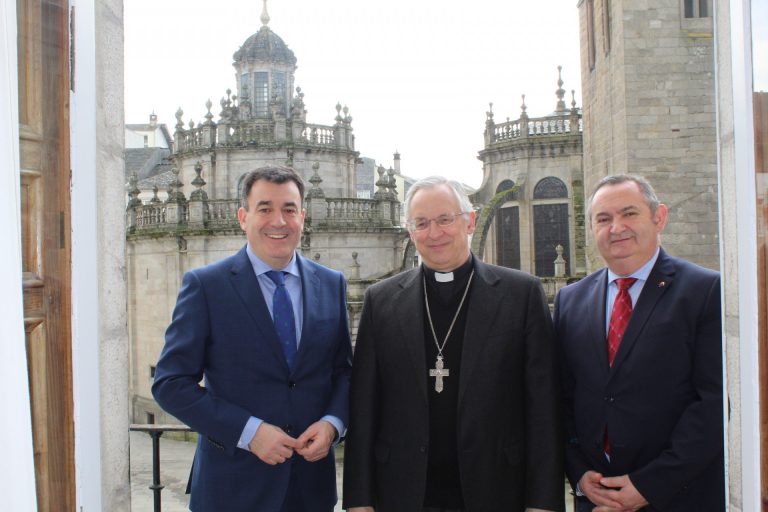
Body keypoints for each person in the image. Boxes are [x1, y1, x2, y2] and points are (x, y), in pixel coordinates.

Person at [343, 176, 564, 512]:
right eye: (422, 223)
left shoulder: (521, 295)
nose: (435, 233)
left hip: (498, 489)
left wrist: (543, 503)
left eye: (445, 219)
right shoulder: (381, 300)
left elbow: (543, 407)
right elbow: (364, 408)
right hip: (403, 492)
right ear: (410, 231)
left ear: (469, 221)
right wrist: (359, 501)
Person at [152, 166, 353, 512]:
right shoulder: (206, 286)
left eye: (289, 209)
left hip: (310, 490)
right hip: (232, 490)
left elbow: (344, 372)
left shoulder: (331, 283)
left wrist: (333, 424)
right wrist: (249, 432)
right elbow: (170, 383)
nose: (279, 221)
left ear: (302, 217)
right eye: (265, 209)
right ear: (243, 217)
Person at [554, 174, 725, 511]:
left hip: (679, 496)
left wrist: (648, 485)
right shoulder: (570, 300)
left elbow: (714, 404)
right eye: (603, 219)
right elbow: (562, 397)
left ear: (658, 217)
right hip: (596, 496)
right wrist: (579, 472)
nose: (616, 227)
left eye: (629, 213)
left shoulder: (704, 291)